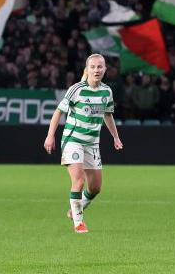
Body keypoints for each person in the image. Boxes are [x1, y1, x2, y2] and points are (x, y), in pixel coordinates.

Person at [43, 53, 123, 233]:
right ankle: (79, 223)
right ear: (87, 70)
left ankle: (75, 209)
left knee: (95, 188)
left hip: (92, 143)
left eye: (100, 67)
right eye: (93, 67)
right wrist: (50, 135)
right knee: (78, 181)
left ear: (105, 69)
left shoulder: (106, 91)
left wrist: (115, 137)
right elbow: (58, 112)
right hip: (73, 140)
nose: (97, 70)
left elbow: (108, 115)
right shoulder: (76, 89)